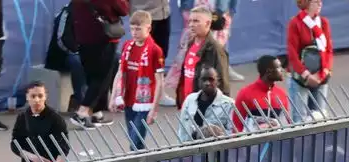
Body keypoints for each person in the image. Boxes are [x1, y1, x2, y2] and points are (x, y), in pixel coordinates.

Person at [68, 0, 128, 129]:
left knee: (92, 75)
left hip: (83, 37)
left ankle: (95, 113)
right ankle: (82, 113)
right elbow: (123, 9)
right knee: (102, 77)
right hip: (103, 37)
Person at [110, 11, 164, 151]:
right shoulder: (127, 46)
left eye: (138, 29)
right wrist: (113, 97)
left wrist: (154, 109)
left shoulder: (155, 50)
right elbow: (120, 72)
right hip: (128, 99)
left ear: (149, 28)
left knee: (135, 142)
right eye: (132, 28)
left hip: (144, 103)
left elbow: (160, 82)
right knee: (134, 141)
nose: (134, 32)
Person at [173, 7, 230, 110]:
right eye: (190, 21)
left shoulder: (215, 49)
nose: (191, 25)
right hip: (188, 105)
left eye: (196, 21)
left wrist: (221, 110)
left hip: (205, 108)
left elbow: (223, 83)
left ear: (207, 24)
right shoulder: (190, 44)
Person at [286, 0, 333, 122]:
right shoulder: (295, 23)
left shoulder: (324, 23)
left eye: (320, 1)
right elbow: (292, 55)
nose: (320, 4)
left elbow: (329, 50)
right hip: (300, 77)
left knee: (319, 116)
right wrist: (306, 75)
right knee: (300, 119)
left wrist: (323, 72)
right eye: (316, 1)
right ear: (306, 3)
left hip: (320, 75)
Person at [11, 81, 70, 162]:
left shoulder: (55, 118)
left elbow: (63, 147)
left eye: (40, 96)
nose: (37, 100)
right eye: (33, 96)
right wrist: (32, 157)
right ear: (27, 97)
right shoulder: (22, 117)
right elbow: (15, 144)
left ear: (45, 97)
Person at [232, 55, 290, 132]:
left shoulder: (281, 94)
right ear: (268, 71)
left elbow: (286, 124)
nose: (282, 70)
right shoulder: (245, 94)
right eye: (279, 67)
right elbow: (237, 126)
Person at [176, 66, 235, 141]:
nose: (207, 83)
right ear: (199, 81)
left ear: (218, 82)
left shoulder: (229, 104)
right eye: (204, 79)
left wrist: (217, 134)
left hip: (215, 151)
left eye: (211, 79)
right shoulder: (189, 100)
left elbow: (234, 133)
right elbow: (182, 130)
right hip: (191, 149)